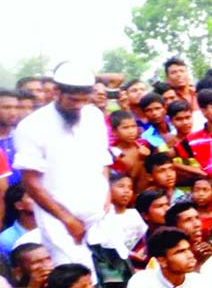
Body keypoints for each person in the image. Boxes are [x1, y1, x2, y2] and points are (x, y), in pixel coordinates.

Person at [15, 62, 128, 273]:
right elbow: (31, 182)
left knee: (116, 276)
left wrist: (106, 197)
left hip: (101, 216)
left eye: (84, 100)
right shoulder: (32, 126)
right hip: (60, 223)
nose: (78, 106)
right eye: (73, 100)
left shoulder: (93, 116)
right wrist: (67, 219)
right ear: (56, 92)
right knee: (76, 282)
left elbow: (102, 160)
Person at [164, 201, 212, 267]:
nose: (197, 224)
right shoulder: (167, 256)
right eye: (188, 220)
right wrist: (198, 262)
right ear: (174, 227)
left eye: (197, 218)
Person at [109, 172, 148, 253]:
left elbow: (144, 237)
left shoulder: (133, 214)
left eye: (130, 188)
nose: (126, 191)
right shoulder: (106, 217)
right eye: (121, 186)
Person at [0, 184, 37, 257]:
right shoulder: (5, 240)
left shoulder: (53, 227)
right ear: (18, 205)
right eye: (31, 196)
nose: (38, 200)